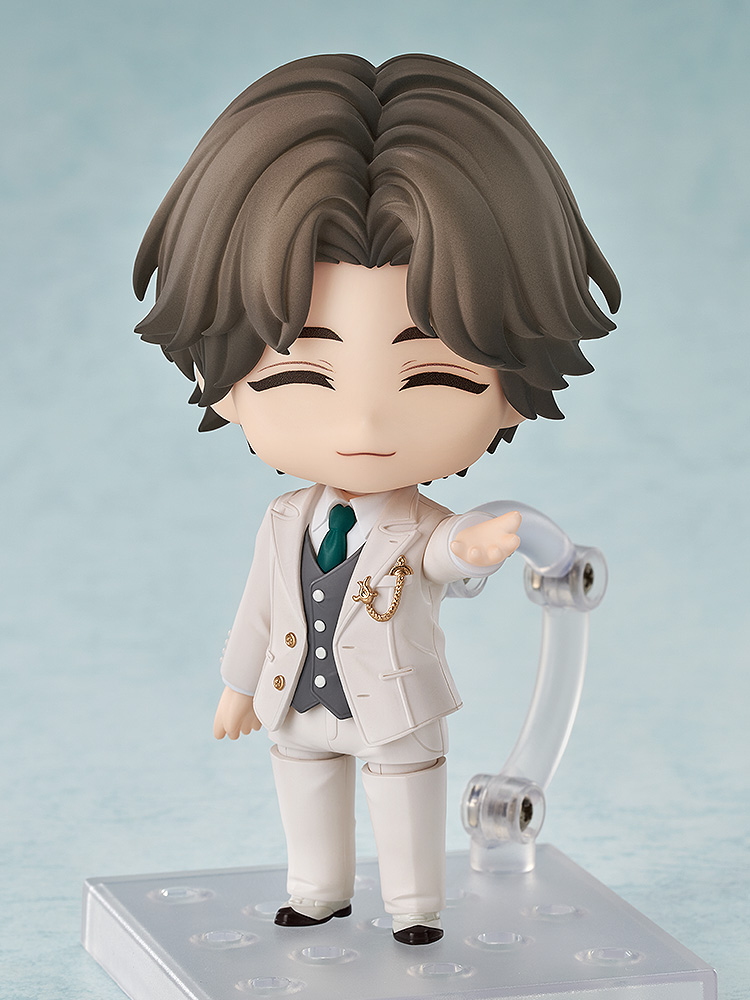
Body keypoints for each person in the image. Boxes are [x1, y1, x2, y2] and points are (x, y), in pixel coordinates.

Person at [134, 53, 620, 945]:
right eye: (301, 374)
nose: (361, 423)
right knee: (305, 790)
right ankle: (317, 891)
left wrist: (473, 548)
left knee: (404, 798)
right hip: (297, 697)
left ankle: (413, 908)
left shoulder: (419, 523)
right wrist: (239, 687)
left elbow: (440, 551)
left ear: (513, 385)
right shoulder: (285, 519)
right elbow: (259, 608)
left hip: (392, 702)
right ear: (223, 380)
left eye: (433, 375)